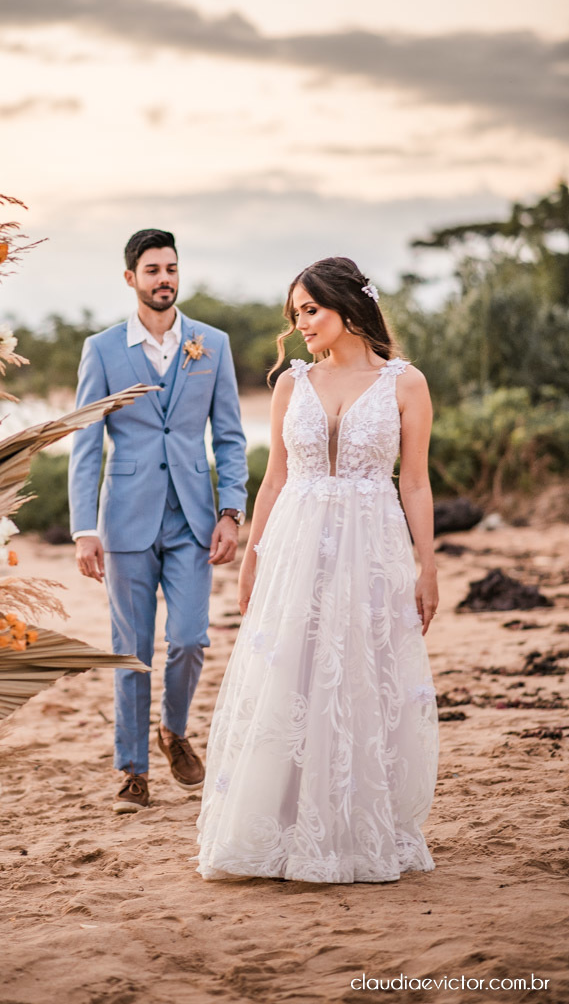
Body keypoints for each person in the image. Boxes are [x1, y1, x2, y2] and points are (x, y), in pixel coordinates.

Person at [197, 255, 439, 882]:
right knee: (292, 676)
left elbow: (415, 484)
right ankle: (279, 825)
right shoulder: (291, 384)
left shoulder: (405, 383)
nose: (302, 323)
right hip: (295, 548)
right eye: (296, 313)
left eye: (312, 310)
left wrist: (427, 568)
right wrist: (252, 560)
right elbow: (274, 479)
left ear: (349, 308)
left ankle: (355, 827)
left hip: (372, 549)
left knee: (361, 675)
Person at [69, 229, 248, 814]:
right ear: (131, 279)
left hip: (194, 519)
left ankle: (173, 730)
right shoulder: (101, 350)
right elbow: (86, 444)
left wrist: (231, 510)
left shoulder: (211, 344)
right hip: (125, 520)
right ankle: (132, 769)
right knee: (131, 650)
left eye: (171, 268)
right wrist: (83, 527)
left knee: (192, 639)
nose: (163, 278)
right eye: (152, 270)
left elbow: (228, 435)